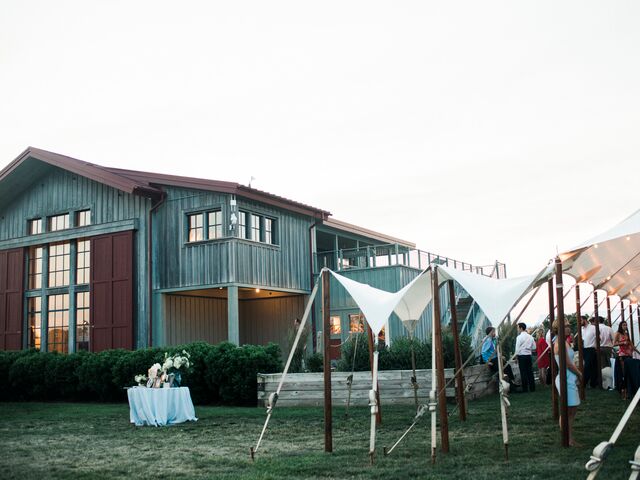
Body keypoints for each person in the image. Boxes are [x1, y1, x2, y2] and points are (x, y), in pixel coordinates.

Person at [552, 319, 582, 447]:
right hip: (565, 378)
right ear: (558, 328)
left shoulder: (564, 342)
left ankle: (569, 437)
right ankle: (568, 438)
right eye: (566, 326)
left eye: (569, 326)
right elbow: (568, 364)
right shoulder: (559, 343)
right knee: (567, 411)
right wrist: (580, 374)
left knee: (572, 410)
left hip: (569, 377)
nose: (569, 328)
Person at [482, 326, 519, 391]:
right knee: (504, 370)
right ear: (490, 332)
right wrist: (487, 362)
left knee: (508, 366)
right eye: (493, 332)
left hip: (496, 358)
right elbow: (483, 352)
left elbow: (493, 351)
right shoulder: (487, 340)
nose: (495, 333)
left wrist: (500, 356)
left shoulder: (492, 340)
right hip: (492, 360)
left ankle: (512, 383)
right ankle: (510, 388)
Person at [614, 320, 633, 399]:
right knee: (623, 372)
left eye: (626, 325)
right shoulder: (617, 334)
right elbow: (614, 343)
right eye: (624, 325)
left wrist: (632, 349)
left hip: (628, 354)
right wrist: (622, 343)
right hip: (622, 355)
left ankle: (628, 391)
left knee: (628, 373)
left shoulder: (626, 334)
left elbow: (631, 344)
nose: (625, 326)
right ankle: (623, 391)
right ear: (620, 326)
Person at [515, 322, 536, 392]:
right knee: (530, 372)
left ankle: (525, 389)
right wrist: (528, 348)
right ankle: (532, 388)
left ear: (521, 328)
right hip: (528, 356)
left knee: (523, 372)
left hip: (522, 356)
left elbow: (517, 349)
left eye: (518, 328)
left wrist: (516, 357)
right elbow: (534, 347)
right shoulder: (530, 337)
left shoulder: (519, 337)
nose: (518, 329)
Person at [581, 316, 598, 388]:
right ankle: (593, 383)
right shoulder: (582, 329)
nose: (579, 322)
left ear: (585, 320)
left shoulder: (592, 328)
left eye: (580, 320)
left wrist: (596, 347)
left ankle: (584, 383)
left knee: (587, 366)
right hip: (584, 349)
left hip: (591, 349)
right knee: (592, 367)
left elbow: (598, 337)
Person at [599, 317, 615, 383]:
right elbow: (613, 339)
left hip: (600, 347)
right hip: (608, 347)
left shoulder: (596, 328)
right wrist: (612, 346)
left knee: (602, 364)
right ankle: (611, 379)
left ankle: (603, 380)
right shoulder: (609, 328)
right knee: (610, 363)